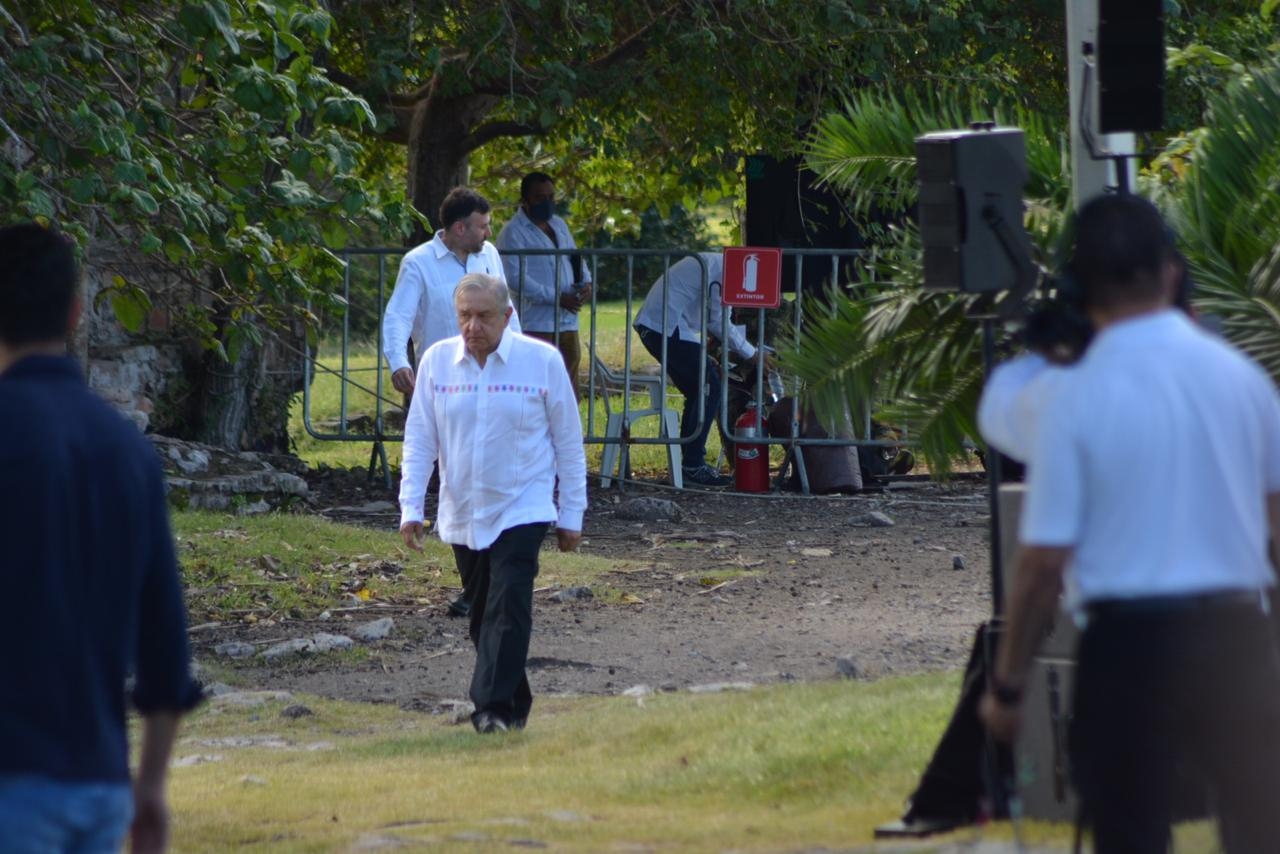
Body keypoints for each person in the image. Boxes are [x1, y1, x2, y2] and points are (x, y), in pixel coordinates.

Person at [977, 194, 1280, 852]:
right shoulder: (1244, 381)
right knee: (1259, 831)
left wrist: (1007, 685)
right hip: (1236, 634)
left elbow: (1041, 565)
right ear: (1173, 274)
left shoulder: (1077, 396)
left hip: (1129, 648)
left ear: (1081, 288)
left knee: (1131, 835)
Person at [0, 224, 201, 851]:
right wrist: (149, 788)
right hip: (96, 781)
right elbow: (165, 639)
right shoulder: (127, 452)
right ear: (75, 312)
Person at [398, 273, 586, 733]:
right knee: (483, 618)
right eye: (464, 316)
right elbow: (420, 439)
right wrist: (410, 507)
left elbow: (569, 442)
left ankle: (491, 710)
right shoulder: (437, 362)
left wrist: (571, 513)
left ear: (507, 316)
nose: (472, 326)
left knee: (509, 603)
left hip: (524, 506)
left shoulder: (541, 361)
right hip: (463, 509)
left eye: (483, 316)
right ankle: (515, 702)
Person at [634, 252, 762, 487]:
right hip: (664, 326)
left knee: (700, 390)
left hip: (660, 325)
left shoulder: (720, 264)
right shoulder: (726, 271)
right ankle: (692, 465)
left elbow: (708, 317)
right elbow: (718, 321)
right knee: (708, 387)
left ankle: (690, 465)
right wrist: (753, 354)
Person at [382, 186, 522, 398]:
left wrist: (518, 355)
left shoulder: (490, 254)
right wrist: (398, 363)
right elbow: (398, 317)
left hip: (494, 377)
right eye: (483, 226)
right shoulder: (417, 263)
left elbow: (507, 310)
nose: (489, 233)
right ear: (460, 228)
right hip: (443, 380)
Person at [495, 172, 592, 399]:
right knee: (537, 384)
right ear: (525, 200)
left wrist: (586, 282)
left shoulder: (559, 225)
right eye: (540, 198)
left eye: (551, 197)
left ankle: (567, 431)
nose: (547, 203)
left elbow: (574, 257)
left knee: (568, 382)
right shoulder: (512, 232)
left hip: (568, 320)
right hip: (536, 321)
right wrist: (556, 297)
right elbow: (515, 278)